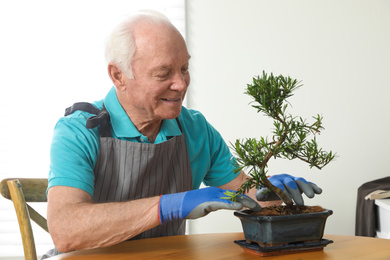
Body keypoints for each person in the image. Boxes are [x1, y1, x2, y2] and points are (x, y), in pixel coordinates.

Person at [45, 10, 322, 257]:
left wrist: (270, 189)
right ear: (118, 76)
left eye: (184, 68)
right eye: (163, 73)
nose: (180, 84)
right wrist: (168, 206)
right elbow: (67, 230)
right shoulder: (79, 130)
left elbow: (244, 193)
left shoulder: (194, 129)